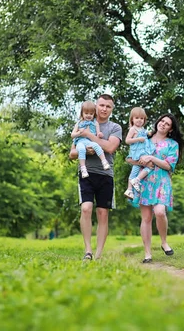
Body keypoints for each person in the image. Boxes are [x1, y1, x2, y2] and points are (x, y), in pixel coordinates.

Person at [69, 94, 122, 260]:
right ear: (96, 106)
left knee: (102, 213)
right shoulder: (82, 123)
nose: (104, 109)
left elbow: (110, 147)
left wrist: (90, 137)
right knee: (85, 209)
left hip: (106, 174)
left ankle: (98, 255)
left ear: (112, 110)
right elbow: (72, 153)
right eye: (101, 105)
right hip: (86, 172)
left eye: (108, 106)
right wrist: (85, 150)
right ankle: (88, 251)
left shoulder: (115, 128)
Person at [128, 113, 184, 263]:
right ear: (157, 122)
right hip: (144, 181)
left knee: (159, 211)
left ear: (170, 129)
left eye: (167, 123)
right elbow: (132, 157)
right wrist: (139, 161)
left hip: (162, 182)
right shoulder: (144, 139)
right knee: (146, 218)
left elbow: (169, 165)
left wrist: (152, 158)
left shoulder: (173, 145)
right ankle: (147, 254)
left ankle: (164, 242)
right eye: (162, 121)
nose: (163, 124)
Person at [71, 101, 111, 178]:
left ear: (94, 114)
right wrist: (79, 133)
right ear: (82, 113)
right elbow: (72, 135)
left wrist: (99, 134)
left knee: (96, 145)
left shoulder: (95, 123)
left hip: (89, 141)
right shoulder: (79, 123)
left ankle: (104, 161)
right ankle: (83, 168)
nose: (88, 115)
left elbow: (98, 132)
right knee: (81, 150)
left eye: (91, 114)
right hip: (80, 141)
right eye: (86, 113)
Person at [123, 107, 156, 200]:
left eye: (142, 118)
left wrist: (148, 134)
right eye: (137, 118)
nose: (139, 120)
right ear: (132, 119)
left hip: (144, 151)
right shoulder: (133, 129)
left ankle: (129, 189)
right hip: (137, 152)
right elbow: (127, 140)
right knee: (149, 167)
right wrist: (138, 139)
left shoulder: (142, 129)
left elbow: (146, 135)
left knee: (135, 169)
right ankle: (136, 181)